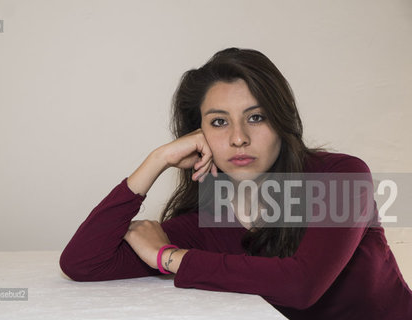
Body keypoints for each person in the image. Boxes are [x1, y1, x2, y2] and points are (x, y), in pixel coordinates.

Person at [59, 48, 412, 319]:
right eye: (218, 122)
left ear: (282, 121)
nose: (239, 138)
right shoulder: (206, 222)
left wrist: (169, 257)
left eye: (256, 117)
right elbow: (83, 263)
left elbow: (301, 285)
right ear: (197, 135)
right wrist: (157, 161)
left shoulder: (341, 176)